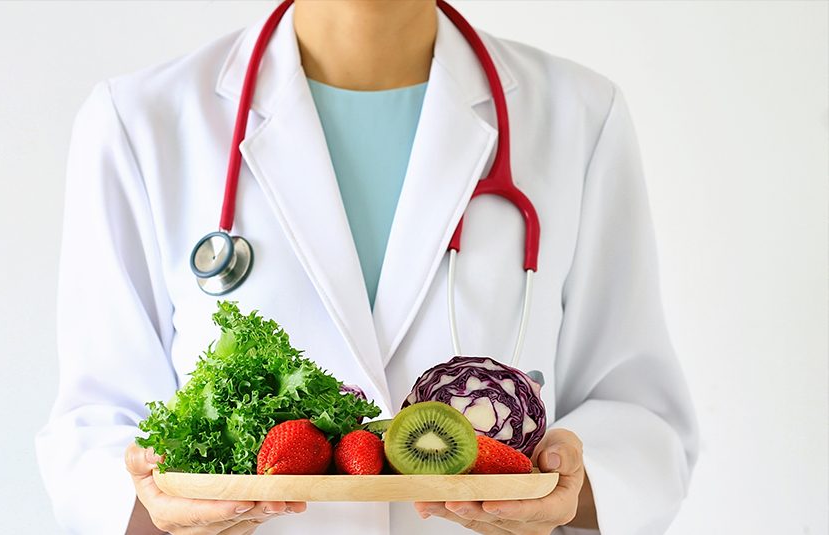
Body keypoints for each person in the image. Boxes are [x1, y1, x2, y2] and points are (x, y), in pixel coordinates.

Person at [35, 1, 699, 534]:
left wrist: (572, 484)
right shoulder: (140, 122)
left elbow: (639, 415)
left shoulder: (579, 117)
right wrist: (157, 502)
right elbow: (96, 426)